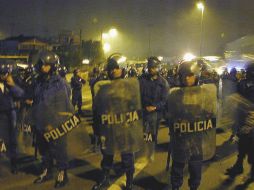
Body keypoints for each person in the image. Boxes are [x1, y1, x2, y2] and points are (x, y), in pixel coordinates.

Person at [92, 53, 142, 190]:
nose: (113, 71)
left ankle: (129, 182)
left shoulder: (131, 86)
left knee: (127, 157)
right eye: (111, 68)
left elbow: (136, 108)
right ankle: (105, 178)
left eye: (116, 68)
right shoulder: (102, 87)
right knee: (107, 155)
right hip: (109, 128)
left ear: (123, 68)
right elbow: (97, 110)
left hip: (125, 128)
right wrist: (97, 130)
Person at [166, 60, 217, 190]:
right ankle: (175, 186)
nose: (187, 79)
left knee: (195, 168)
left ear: (196, 75)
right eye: (184, 76)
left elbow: (211, 114)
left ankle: (194, 187)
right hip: (181, 137)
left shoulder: (204, 93)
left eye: (190, 75)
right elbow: (169, 114)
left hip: (196, 138)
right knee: (177, 165)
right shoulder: (175, 94)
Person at [32, 51, 73, 188]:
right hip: (41, 123)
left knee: (59, 150)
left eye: (45, 65)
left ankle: (62, 173)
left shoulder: (60, 84)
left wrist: (53, 123)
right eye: (41, 65)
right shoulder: (39, 82)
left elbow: (64, 107)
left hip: (55, 125)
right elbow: (37, 101)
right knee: (44, 150)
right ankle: (47, 170)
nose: (42, 67)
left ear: (53, 66)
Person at [225, 62, 254, 179]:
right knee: (242, 143)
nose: (246, 74)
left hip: (251, 120)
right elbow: (236, 96)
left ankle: (252, 171)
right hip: (244, 118)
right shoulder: (243, 83)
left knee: (251, 146)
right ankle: (239, 165)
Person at [139, 56, 169, 156]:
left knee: (152, 132)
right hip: (143, 110)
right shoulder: (142, 79)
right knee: (141, 132)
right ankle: (142, 149)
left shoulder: (163, 83)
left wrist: (155, 107)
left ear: (158, 67)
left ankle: (151, 149)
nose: (152, 69)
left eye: (154, 67)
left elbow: (165, 100)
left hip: (156, 113)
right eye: (150, 67)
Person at [0, 61, 24, 174]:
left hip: (11, 114)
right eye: (1, 73)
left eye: (5, 73)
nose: (3, 76)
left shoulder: (13, 83)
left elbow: (21, 94)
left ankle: (14, 164)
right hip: (1, 115)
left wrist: (12, 85)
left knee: (12, 140)